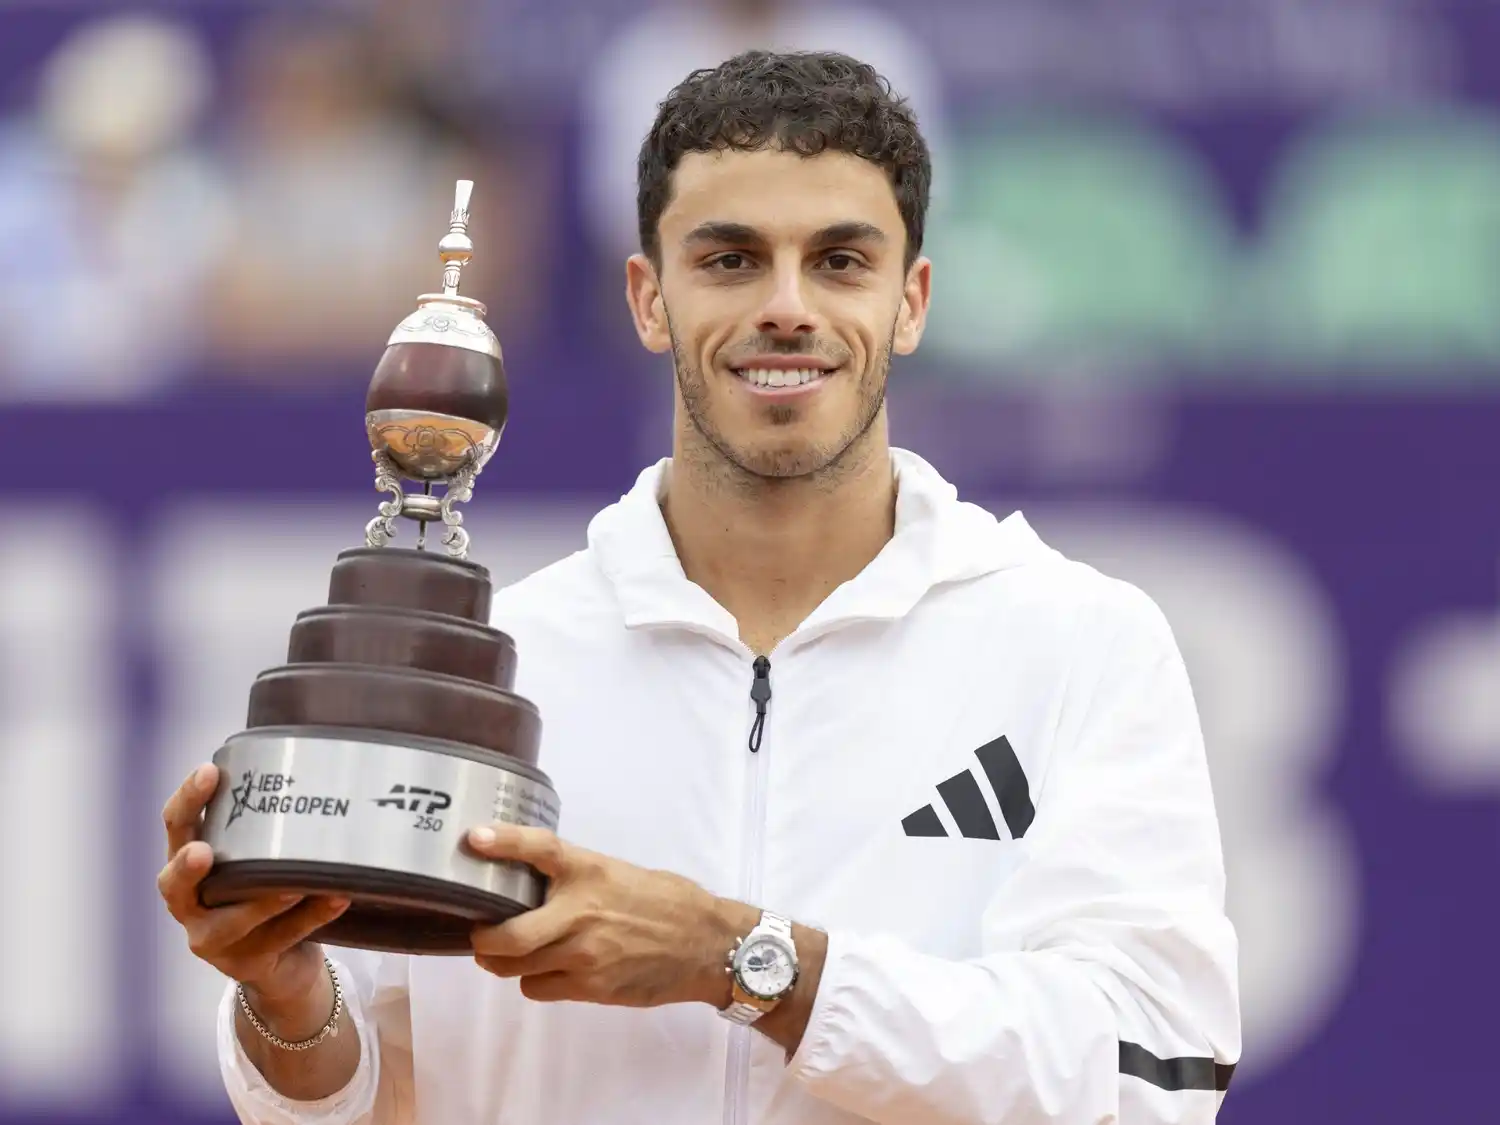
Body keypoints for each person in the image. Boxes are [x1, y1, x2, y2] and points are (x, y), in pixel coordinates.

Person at [157, 50, 1241, 1124]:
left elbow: (1154, 1078)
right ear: (647, 298)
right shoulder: (506, 659)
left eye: (840, 261)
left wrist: (742, 959)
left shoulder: (1078, 644)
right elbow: (374, 1098)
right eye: (729, 260)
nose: (785, 306)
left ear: (911, 303)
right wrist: (287, 1004)